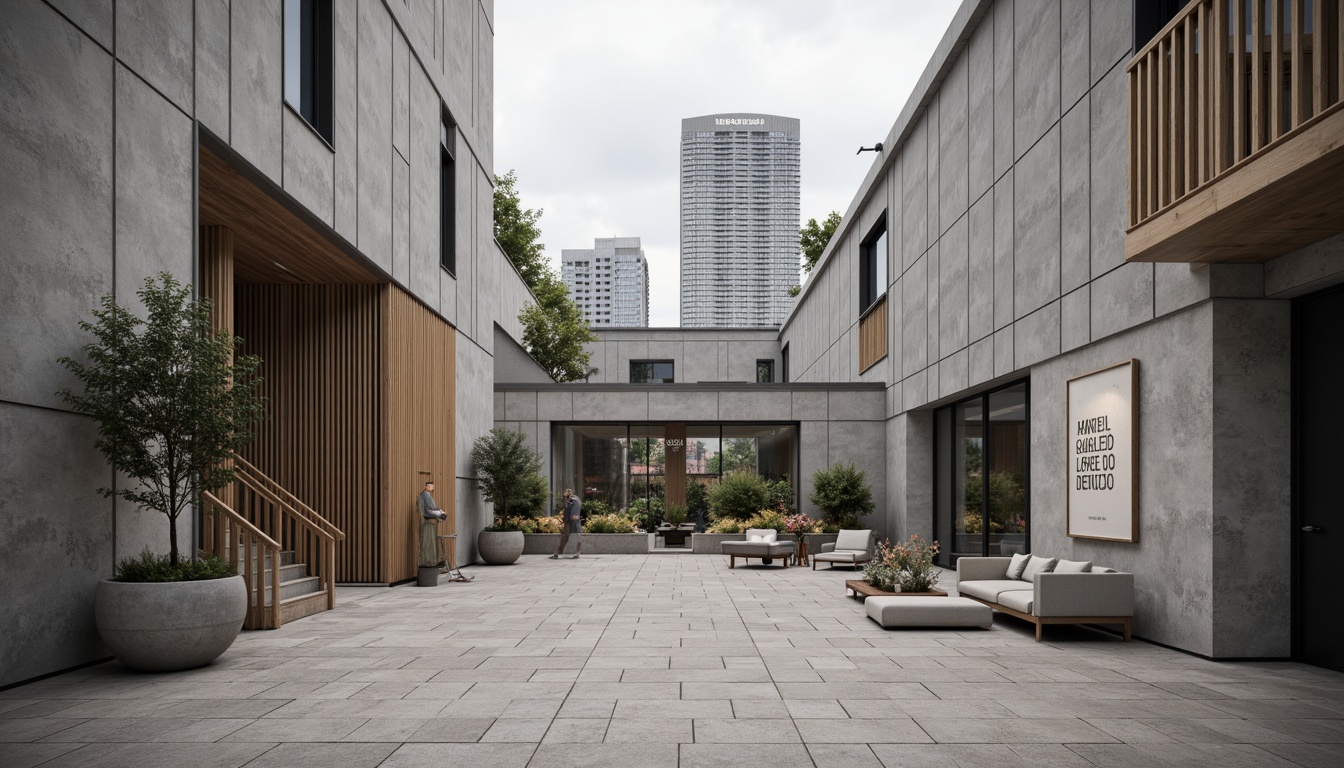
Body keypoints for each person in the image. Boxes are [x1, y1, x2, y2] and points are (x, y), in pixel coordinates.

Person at [418, 481, 448, 568]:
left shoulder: (427, 495)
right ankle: (428, 562)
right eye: (430, 486)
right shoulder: (425, 495)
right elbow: (429, 510)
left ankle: (431, 561)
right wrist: (440, 513)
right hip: (428, 521)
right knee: (428, 542)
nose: (432, 488)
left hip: (430, 521)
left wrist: (440, 513)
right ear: (426, 486)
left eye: (433, 486)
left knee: (431, 542)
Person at [549, 488, 583, 560]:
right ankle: (559, 551)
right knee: (569, 536)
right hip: (571, 521)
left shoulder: (572, 500)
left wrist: (573, 516)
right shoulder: (574, 500)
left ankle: (560, 552)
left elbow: (574, 507)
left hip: (572, 521)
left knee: (571, 536)